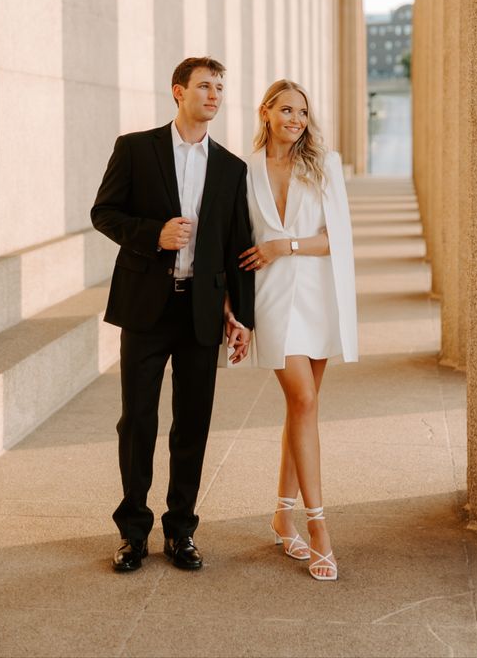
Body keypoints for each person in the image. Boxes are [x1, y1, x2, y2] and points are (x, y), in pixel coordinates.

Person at [91, 57, 254, 573]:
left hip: (200, 313)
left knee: (193, 424)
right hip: (145, 306)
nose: (214, 94)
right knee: (137, 420)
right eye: (205, 85)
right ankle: (133, 532)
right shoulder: (136, 149)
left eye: (220, 87)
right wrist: (153, 235)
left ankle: (181, 530)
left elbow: (237, 247)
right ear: (178, 91)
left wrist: (240, 314)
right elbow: (105, 212)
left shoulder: (231, 167)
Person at [238, 79, 358, 581]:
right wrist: (234, 311)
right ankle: (319, 528)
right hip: (270, 300)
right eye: (286, 109)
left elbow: (337, 240)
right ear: (266, 112)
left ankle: (281, 515)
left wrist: (282, 246)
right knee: (304, 402)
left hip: (317, 298)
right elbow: (235, 241)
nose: (295, 119)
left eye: (303, 112)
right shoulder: (243, 172)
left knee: (300, 408)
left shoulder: (324, 165)